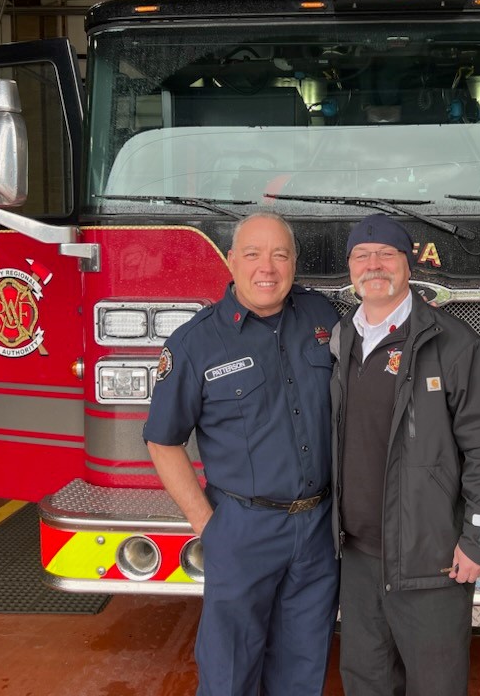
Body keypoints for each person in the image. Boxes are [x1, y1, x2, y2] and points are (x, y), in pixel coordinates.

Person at [143, 212, 339, 696]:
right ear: (231, 261)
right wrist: (207, 525)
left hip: (317, 530)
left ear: (295, 262)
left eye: (279, 254)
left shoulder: (324, 319)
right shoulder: (195, 343)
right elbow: (162, 440)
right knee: (230, 671)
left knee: (303, 665)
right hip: (241, 528)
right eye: (252, 254)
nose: (266, 268)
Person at [330, 213, 480, 696]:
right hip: (356, 557)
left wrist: (479, 538)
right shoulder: (337, 341)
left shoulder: (455, 345)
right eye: (362, 256)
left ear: (408, 265)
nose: (374, 266)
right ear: (350, 268)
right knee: (365, 682)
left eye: (386, 255)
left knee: (436, 685)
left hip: (430, 559)